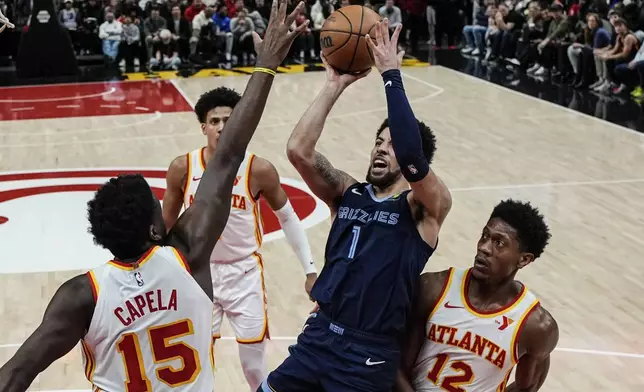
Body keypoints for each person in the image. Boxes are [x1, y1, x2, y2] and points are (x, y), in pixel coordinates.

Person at [0, 1, 309, 390]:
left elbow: (14, 374)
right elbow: (229, 155)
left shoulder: (81, 295)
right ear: (154, 228)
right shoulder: (188, 255)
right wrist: (265, 64)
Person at [260, 18, 452, 392]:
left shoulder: (425, 206)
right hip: (318, 337)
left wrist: (391, 75)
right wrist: (333, 85)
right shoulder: (348, 192)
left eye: (392, 143)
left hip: (367, 354)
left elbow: (413, 154)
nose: (381, 147)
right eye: (379, 141)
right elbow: (298, 151)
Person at [163, 86, 318, 390]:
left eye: (229, 120)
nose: (222, 127)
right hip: (198, 272)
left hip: (243, 273)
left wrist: (310, 269)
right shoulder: (183, 167)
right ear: (204, 127)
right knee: (196, 361)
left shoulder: (258, 168)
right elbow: (165, 224)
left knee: (252, 366)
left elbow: (287, 217)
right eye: (215, 120)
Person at [395, 199, 559, 392]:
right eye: (484, 236)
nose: (484, 247)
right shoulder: (434, 288)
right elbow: (395, 363)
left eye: (499, 243)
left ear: (524, 259)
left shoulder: (536, 326)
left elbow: (527, 387)